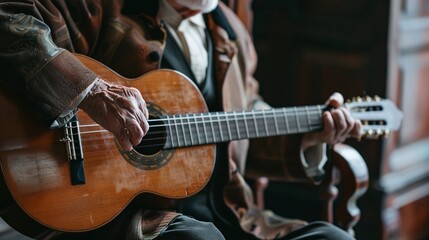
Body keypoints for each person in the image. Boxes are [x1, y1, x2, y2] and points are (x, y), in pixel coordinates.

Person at [0, 0, 362, 239]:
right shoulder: (100, 7)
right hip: (134, 223)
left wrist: (310, 139)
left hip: (232, 218)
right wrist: (90, 91)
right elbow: (6, 20)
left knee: (334, 238)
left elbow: (244, 119)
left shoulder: (231, 31)